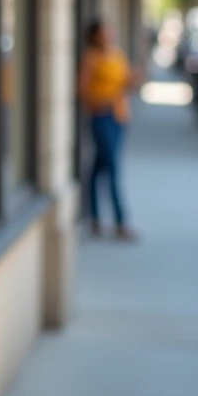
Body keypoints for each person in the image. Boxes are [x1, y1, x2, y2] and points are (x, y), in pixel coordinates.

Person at [78, 20, 138, 240]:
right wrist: (102, 100)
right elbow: (83, 90)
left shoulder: (117, 55)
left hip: (119, 116)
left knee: (98, 167)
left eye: (109, 32)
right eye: (103, 33)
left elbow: (125, 82)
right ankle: (120, 221)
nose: (107, 37)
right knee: (112, 167)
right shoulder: (91, 59)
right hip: (101, 116)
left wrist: (133, 80)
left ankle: (94, 217)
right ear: (94, 36)